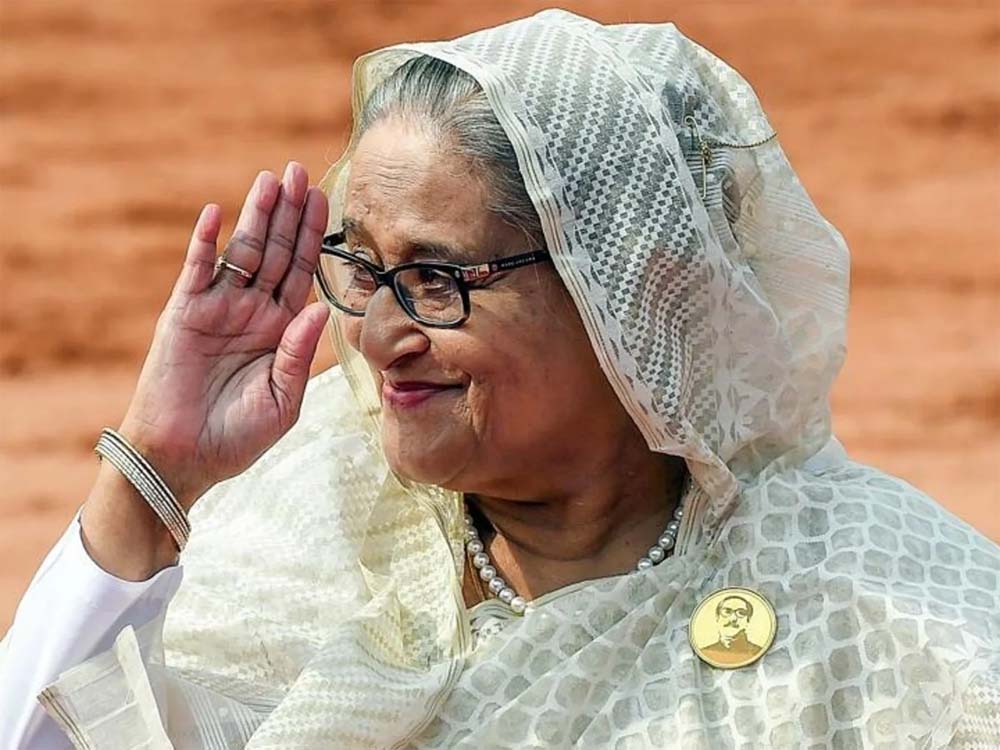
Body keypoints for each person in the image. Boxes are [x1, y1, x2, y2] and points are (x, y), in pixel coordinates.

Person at [1, 9, 998, 749]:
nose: (378, 334)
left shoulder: (880, 606)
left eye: (437, 279)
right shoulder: (304, 531)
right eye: (363, 268)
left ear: (637, 291)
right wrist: (153, 473)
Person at [698, 595, 763, 665]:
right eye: (727, 612)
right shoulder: (705, 653)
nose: (733, 619)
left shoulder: (758, 653)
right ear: (717, 617)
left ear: (748, 621)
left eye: (741, 613)